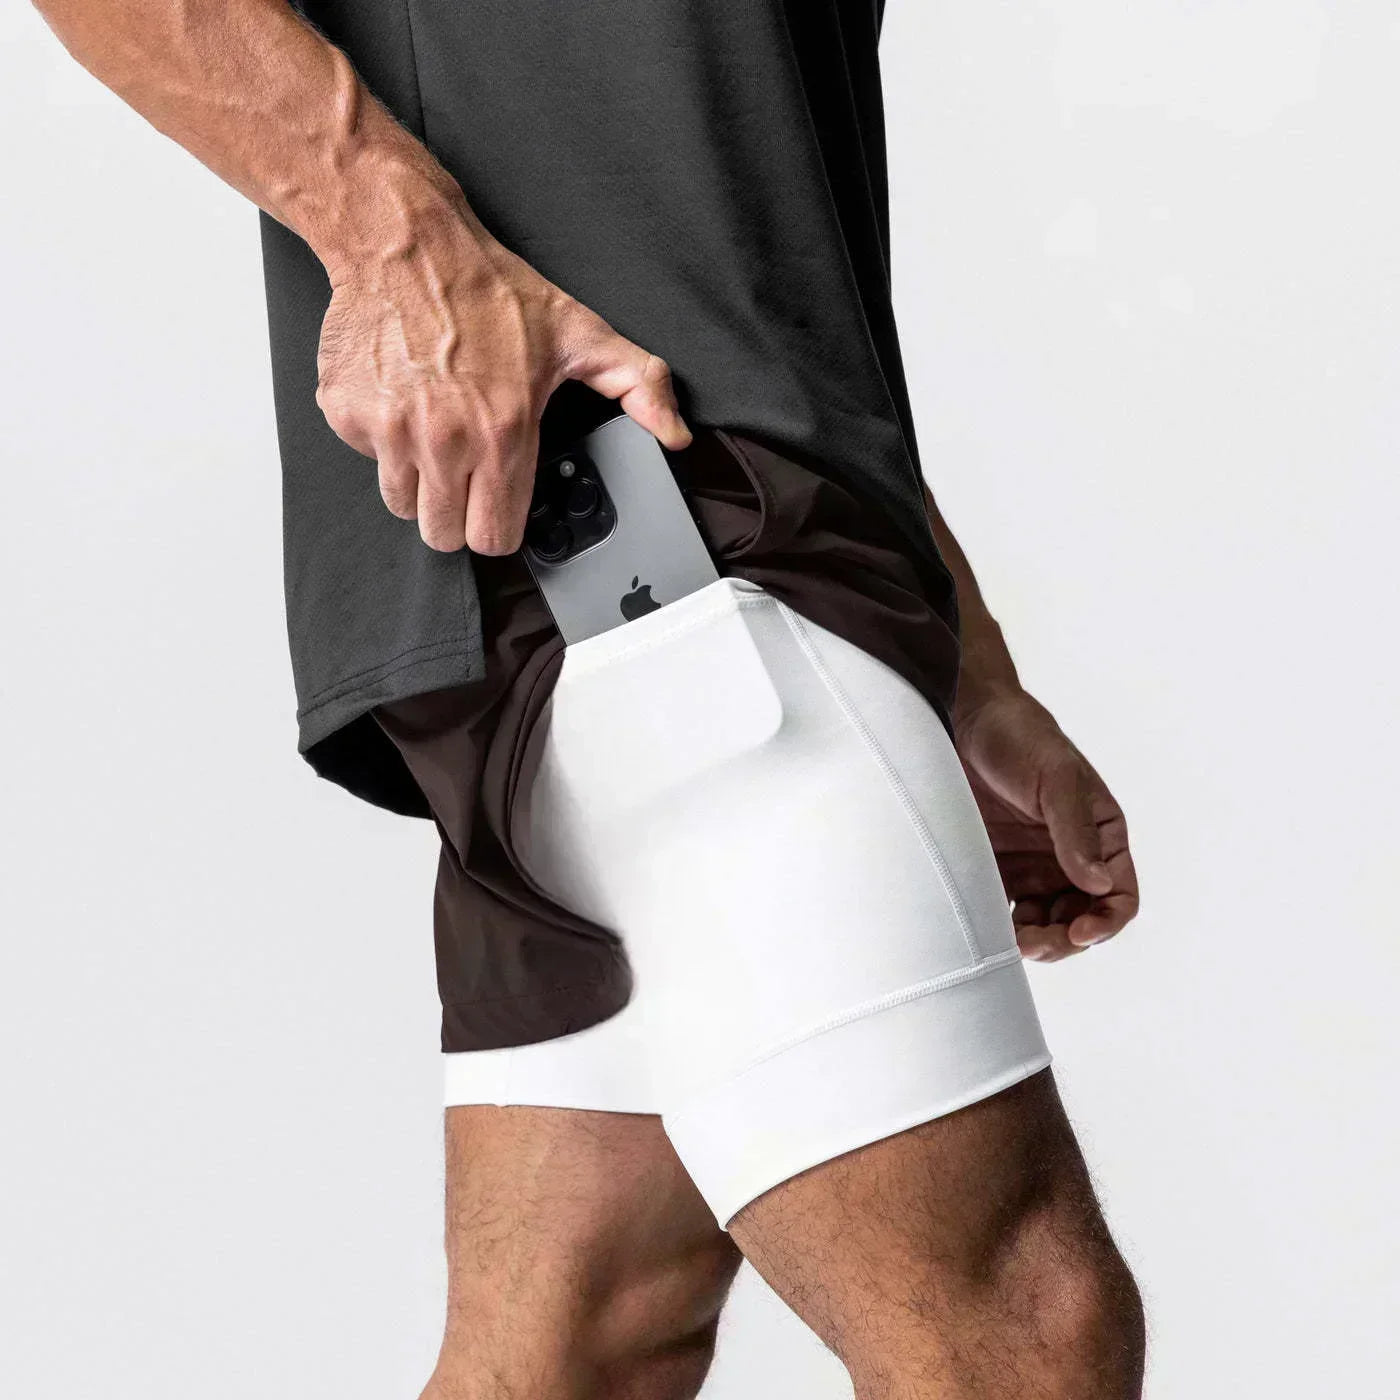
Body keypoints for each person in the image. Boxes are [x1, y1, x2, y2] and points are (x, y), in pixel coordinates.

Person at [34, 0, 1147, 1394]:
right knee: (1019, 1333)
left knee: (577, 1352)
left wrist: (955, 655)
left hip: (691, 536)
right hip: (627, 519)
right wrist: (396, 241)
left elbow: (746, 204)